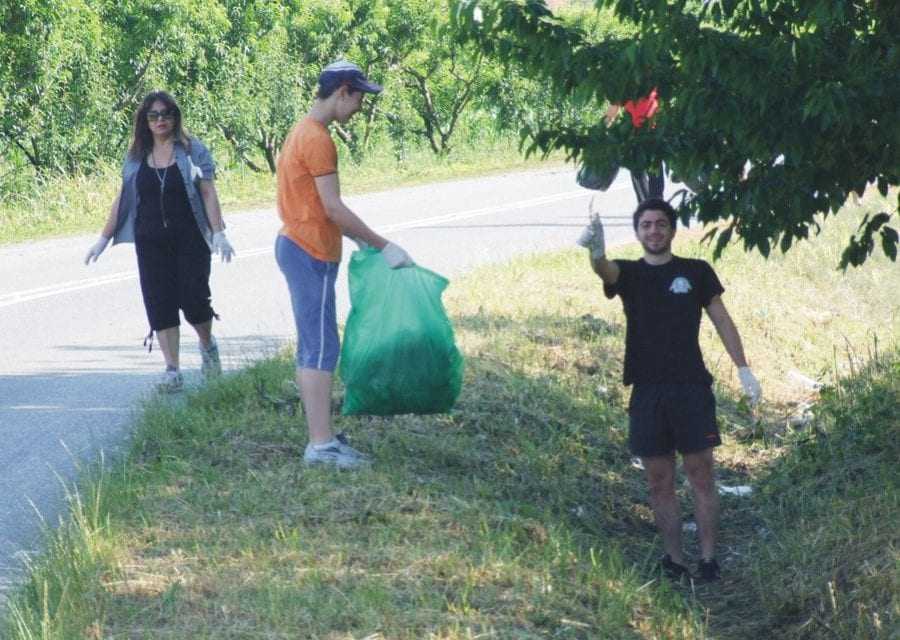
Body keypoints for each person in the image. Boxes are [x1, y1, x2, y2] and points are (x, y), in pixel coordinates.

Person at [577, 198, 761, 582]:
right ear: (637, 231)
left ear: (672, 230)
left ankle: (709, 559)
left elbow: (722, 319)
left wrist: (743, 367)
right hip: (647, 392)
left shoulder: (696, 271)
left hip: (691, 388)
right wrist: (595, 249)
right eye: (646, 225)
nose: (654, 231)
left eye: (661, 224)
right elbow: (604, 270)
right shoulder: (628, 274)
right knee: (659, 480)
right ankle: (674, 560)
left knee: (701, 474)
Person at [275, 60, 414, 469]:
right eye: (359, 98)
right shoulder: (317, 139)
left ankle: (324, 436)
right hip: (309, 250)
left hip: (301, 244)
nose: (359, 108)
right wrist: (383, 244)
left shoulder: (302, 130)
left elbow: (319, 204)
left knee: (315, 343)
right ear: (342, 92)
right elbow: (333, 207)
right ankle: (321, 445)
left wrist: (357, 240)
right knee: (320, 346)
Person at [85, 91, 235, 393]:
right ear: (145, 121)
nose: (160, 120)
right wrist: (103, 239)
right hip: (150, 241)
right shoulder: (136, 157)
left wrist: (218, 232)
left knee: (194, 299)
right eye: (153, 115)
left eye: (166, 114)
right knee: (159, 303)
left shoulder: (193, 151)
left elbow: (208, 192)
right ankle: (172, 369)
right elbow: (123, 199)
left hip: (189, 238)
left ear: (175, 117)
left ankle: (208, 346)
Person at [604, 87, 665, 202]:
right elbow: (613, 110)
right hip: (634, 138)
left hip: (653, 137)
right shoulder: (626, 85)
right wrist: (601, 130)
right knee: (640, 178)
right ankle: (647, 209)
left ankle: (656, 208)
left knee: (655, 182)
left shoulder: (654, 82)